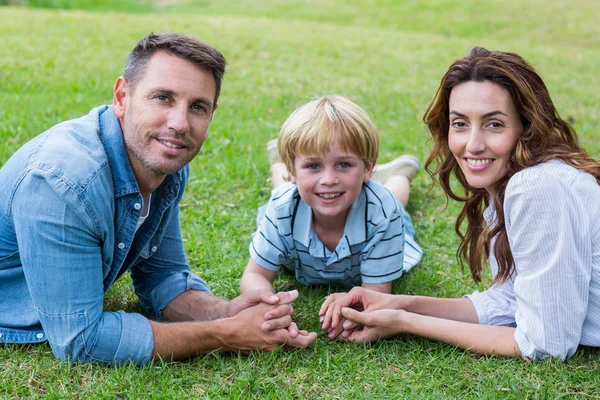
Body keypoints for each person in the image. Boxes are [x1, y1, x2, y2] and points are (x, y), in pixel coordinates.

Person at [0, 32, 316, 366]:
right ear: (122, 97)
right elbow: (82, 340)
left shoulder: (165, 167)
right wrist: (227, 334)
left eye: (197, 107)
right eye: (163, 98)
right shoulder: (60, 183)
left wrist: (225, 312)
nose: (180, 124)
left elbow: (162, 278)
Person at [321, 47, 600, 361]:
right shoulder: (510, 185)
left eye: (494, 124)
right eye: (460, 124)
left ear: (525, 126)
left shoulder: (538, 187)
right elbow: (510, 303)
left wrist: (405, 322)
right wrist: (397, 303)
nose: (474, 144)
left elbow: (544, 344)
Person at [239, 95, 423, 339]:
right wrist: (269, 306)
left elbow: (378, 294)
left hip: (380, 205)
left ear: (368, 168)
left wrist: (350, 306)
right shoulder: (283, 207)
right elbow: (255, 275)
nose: (328, 179)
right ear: (292, 170)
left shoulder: (382, 212)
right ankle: (278, 162)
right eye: (313, 165)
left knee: (395, 198)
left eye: (343, 164)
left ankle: (400, 174)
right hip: (292, 195)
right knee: (283, 192)